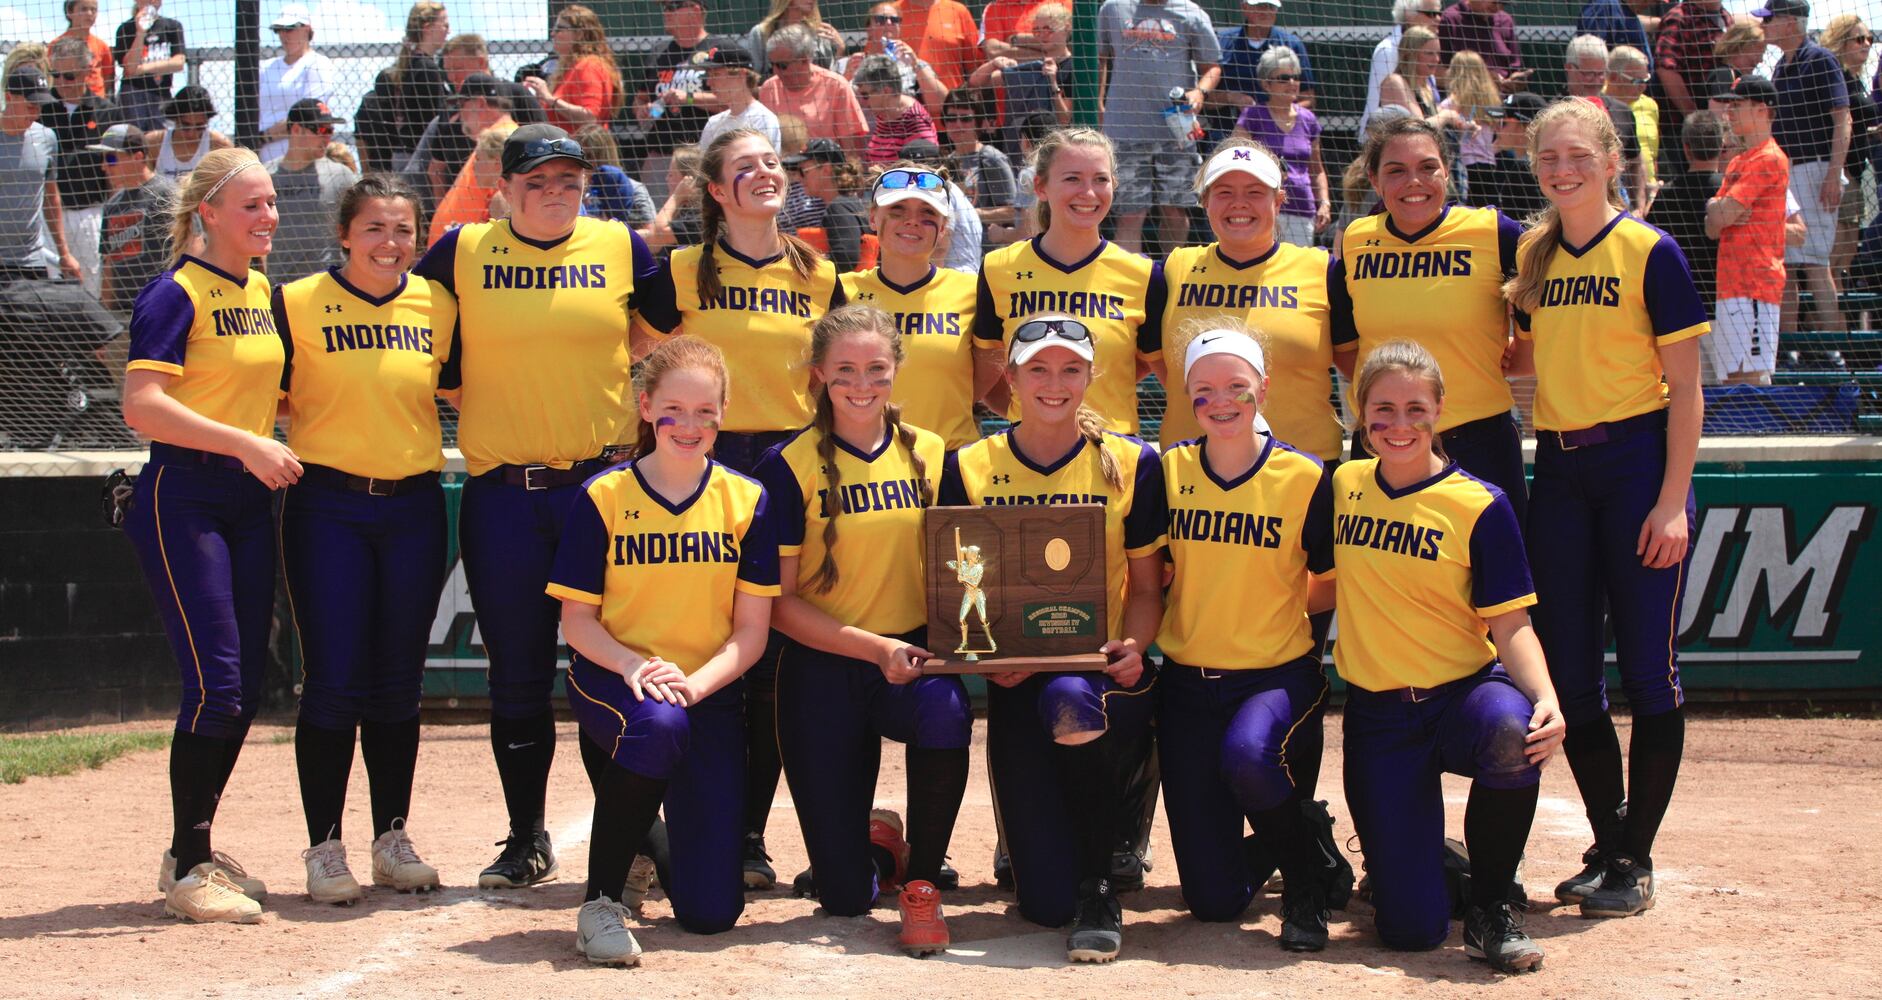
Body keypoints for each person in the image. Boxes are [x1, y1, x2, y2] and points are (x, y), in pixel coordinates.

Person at [413, 123, 659, 892]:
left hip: (601, 491)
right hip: (504, 496)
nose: (555, 193)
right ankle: (526, 837)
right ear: (504, 190)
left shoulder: (623, 247)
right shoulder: (462, 250)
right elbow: (401, 321)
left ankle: (637, 837)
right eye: (537, 181)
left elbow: (668, 340)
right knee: (516, 677)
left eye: (569, 180)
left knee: (613, 669)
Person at [1503, 97, 1706, 923]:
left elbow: (1689, 391)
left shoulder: (1650, 251)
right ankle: (1611, 845)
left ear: (1612, 159)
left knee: (1650, 675)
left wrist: (1670, 503)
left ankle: (1635, 857)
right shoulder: (1532, 254)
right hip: (1557, 467)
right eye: (1550, 157)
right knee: (1573, 676)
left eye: (1579, 155)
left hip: (1637, 467)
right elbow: (1521, 359)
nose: (1563, 170)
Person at [634, 128, 846, 889]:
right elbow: (640, 358)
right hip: (699, 470)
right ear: (715, 191)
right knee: (681, 646)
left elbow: (836, 377)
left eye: (772, 163)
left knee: (767, 668)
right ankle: (646, 833)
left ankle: (748, 835)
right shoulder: (682, 271)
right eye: (744, 168)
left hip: (785, 475)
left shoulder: (820, 274)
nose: (764, 174)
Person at [938, 314, 1167, 963]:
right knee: (1042, 905)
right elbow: (961, 590)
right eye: (1037, 368)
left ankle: (1101, 887)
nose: (1054, 382)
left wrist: (1133, 646)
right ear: (1009, 378)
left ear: (1091, 377)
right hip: (1014, 680)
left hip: (1096, 678)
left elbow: (1148, 590)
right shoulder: (970, 465)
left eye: (1070, 368)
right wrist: (987, 659)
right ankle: (1075, 868)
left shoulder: (1129, 462)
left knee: (1070, 693)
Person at [1333, 339, 1564, 973]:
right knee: (1410, 932)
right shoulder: (1345, 485)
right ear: (1360, 411)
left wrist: (1545, 698)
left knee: (1511, 734)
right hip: (1380, 717)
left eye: (1415, 408)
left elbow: (1511, 623)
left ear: (1440, 408)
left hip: (1463, 695)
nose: (1399, 424)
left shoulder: (1479, 503)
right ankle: (1432, 865)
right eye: (1383, 409)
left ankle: (1492, 905)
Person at [548, 335, 780, 964]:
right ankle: (600, 901)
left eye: (706, 412)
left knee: (710, 915)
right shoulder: (603, 496)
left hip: (703, 689)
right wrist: (632, 666)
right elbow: (578, 624)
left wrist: (696, 685)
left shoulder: (748, 499)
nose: (690, 424)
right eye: (674, 409)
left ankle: (648, 834)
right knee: (657, 723)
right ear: (646, 407)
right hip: (618, 678)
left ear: (723, 415)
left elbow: (751, 634)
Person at [754, 304, 969, 955]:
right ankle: (875, 852)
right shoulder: (785, 466)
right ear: (819, 372)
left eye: (877, 368)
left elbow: (965, 569)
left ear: (897, 369)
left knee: (947, 715)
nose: (862, 383)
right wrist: (873, 649)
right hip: (826, 664)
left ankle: (922, 886)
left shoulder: (930, 454)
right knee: (843, 899)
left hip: (910, 659)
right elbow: (781, 606)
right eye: (845, 369)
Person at [120, 147, 294, 925]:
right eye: (252, 205)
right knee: (216, 683)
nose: (268, 217)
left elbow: (261, 394)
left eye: (271, 203)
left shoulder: (259, 289)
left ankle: (190, 850)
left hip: (247, 498)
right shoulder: (174, 293)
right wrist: (246, 444)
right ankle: (190, 866)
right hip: (185, 494)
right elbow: (143, 406)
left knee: (245, 689)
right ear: (209, 214)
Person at [270, 174, 452, 905]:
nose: (390, 243)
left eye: (404, 229)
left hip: (412, 505)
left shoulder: (437, 306)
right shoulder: (296, 302)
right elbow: (268, 393)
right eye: (375, 227)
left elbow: (465, 389)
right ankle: (324, 847)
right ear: (345, 233)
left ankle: (391, 836)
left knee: (398, 682)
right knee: (334, 679)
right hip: (328, 504)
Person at [1156, 323, 1337, 951]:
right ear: (1186, 396)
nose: (1222, 400)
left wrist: (1277, 609)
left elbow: (1332, 580)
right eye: (1204, 390)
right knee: (1212, 903)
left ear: (1264, 385)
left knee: (1249, 755)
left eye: (1238, 385)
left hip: (1274, 677)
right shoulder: (1167, 471)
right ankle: (1307, 831)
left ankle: (1308, 882)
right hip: (1185, 686)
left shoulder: (1306, 477)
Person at [1330, 116, 1529, 524]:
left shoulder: (1494, 232)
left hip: (1479, 443)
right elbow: (1349, 352)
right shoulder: (1354, 241)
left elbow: (1540, 307)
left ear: (1446, 170)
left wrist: (1522, 351)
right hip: (1386, 443)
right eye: (1396, 171)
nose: (1413, 182)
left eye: (1427, 167)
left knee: (1495, 581)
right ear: (1374, 179)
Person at [1156, 142, 1338, 465]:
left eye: (1255, 192)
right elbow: (1151, 362)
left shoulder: (1322, 270)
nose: (1239, 204)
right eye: (1224, 192)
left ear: (1279, 201)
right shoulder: (1174, 270)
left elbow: (1356, 363)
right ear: (1205, 202)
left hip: (1304, 473)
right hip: (1190, 472)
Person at [976, 128, 1166, 436]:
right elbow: (987, 373)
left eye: (1100, 179)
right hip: (1027, 454)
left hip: (1116, 455)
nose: (1088, 193)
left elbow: (1140, 366)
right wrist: (1026, 414)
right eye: (1072, 178)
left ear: (1114, 186)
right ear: (1040, 186)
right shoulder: (1000, 267)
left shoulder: (1142, 275)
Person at [840, 162, 995, 449]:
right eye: (897, 211)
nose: (912, 221)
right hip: (866, 464)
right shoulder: (841, 291)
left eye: (927, 213)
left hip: (951, 462)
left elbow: (984, 375)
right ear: (873, 218)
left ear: (944, 225)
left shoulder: (973, 292)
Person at [1097, 0, 1222, 255]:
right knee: (1130, 213)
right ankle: (1129, 284)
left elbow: (1212, 66)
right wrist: (1098, 104)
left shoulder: (1192, 13)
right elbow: (1099, 57)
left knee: (1175, 210)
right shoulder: (1112, 8)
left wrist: (1200, 92)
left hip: (1177, 131)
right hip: (1125, 128)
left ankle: (1170, 277)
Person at [1760, 0, 1850, 337]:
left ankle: (1831, 351)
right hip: (1786, 173)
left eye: (1770, 19)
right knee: (1786, 266)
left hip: (1816, 169)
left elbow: (1843, 120)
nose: (1765, 25)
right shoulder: (1782, 65)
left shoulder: (1821, 60)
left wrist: (1832, 174)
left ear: (1790, 23)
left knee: (1815, 263)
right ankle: (1791, 348)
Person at [1707, 75, 1789, 384]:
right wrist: (1717, 209)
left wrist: (1720, 209)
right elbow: (1713, 226)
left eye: (1738, 106)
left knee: (1751, 375)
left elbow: (1725, 212)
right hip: (1730, 282)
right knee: (1730, 376)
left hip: (1756, 282)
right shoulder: (1737, 160)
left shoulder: (1769, 158)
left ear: (1762, 110)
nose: (1730, 113)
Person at [44, 36, 122, 295]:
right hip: (47, 215)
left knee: (90, 283)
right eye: (56, 75)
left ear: (88, 72)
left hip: (90, 213)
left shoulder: (106, 112)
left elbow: (115, 162)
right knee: (47, 285)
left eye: (69, 76)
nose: (61, 83)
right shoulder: (40, 109)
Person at [629, 1, 726, 200]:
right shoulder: (658, 53)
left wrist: (688, 98)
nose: (666, 13)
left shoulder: (719, 50)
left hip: (704, 156)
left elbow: (732, 100)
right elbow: (639, 100)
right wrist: (642, 110)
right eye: (665, 8)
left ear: (696, 10)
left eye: (673, 7)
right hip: (661, 157)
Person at [1231, 47, 1329, 246]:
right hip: (1261, 210)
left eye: (1295, 77)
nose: (1292, 83)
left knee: (1297, 272)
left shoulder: (1308, 119)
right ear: (1266, 84)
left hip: (1302, 209)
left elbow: (1316, 169)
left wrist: (1324, 203)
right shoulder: (1252, 116)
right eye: (1283, 78)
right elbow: (1233, 158)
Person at [0, 67, 79, 282]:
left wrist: (64, 254)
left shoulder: (47, 138)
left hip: (31, 259)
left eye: (39, 108)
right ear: (9, 97)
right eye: (30, 106)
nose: (35, 114)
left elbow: (51, 198)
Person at [91, 122, 176, 315]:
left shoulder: (167, 194)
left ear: (138, 157)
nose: (104, 166)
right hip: (123, 312)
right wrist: (106, 312)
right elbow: (109, 263)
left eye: (111, 158)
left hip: (162, 309)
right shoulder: (113, 205)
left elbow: (190, 250)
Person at [268, 100, 357, 284]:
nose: (328, 137)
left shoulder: (341, 176)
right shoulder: (264, 176)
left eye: (330, 130)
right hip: (275, 288)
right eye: (321, 130)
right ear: (296, 130)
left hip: (326, 290)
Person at [1209, 0, 1316, 143]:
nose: (1265, 11)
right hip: (1226, 133)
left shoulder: (1292, 44)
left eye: (1271, 6)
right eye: (1259, 5)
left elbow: (1308, 99)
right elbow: (1204, 99)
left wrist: (1273, 113)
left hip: (1278, 137)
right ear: (1244, 7)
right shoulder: (1223, 41)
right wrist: (1232, 97)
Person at [1651, 110, 1727, 311]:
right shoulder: (1731, 193)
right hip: (1725, 304)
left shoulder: (1666, 195)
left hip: (1678, 305)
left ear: (1686, 148)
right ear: (1721, 146)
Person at [760, 25, 870, 160]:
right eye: (772, 65)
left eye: (782, 66)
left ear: (805, 60)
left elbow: (852, 150)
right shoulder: (769, 89)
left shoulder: (836, 86)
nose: (776, 72)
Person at [1819, 15, 1873, 289]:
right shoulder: (1837, 78)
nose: (1866, 45)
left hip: (1856, 172)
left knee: (1848, 254)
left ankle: (1839, 318)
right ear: (1841, 41)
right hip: (1839, 174)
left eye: (1870, 39)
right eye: (1859, 39)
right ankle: (1826, 324)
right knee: (1835, 254)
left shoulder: (1858, 80)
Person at [969, 1, 1075, 139]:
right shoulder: (1032, 66)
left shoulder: (1073, 67)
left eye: (1048, 29)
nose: (1041, 35)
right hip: (1022, 138)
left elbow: (1065, 119)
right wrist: (993, 64)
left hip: (1060, 140)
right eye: (1036, 30)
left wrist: (1053, 83)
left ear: (1066, 28)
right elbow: (976, 83)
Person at [1564, 34, 1645, 211]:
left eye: (1601, 74)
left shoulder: (1622, 112)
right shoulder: (1553, 115)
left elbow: (1636, 162)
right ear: (1569, 68)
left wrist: (1639, 206)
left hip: (1618, 212)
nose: (1596, 81)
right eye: (1588, 74)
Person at [426, 86, 515, 244]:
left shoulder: (500, 200)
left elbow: (504, 248)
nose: (474, 167)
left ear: (496, 163)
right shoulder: (495, 196)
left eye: (478, 160)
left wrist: (462, 237)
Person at [837, 2, 949, 117]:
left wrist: (916, 65)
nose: (889, 23)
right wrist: (846, 77)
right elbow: (830, 106)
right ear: (869, 28)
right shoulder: (848, 64)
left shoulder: (914, 64)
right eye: (881, 19)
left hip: (906, 132)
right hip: (863, 133)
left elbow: (940, 105)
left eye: (895, 20)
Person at [257, 5, 336, 165]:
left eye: (290, 28)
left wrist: (263, 137)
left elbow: (309, 115)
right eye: (279, 29)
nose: (284, 35)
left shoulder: (318, 64)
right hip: (261, 160)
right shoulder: (265, 67)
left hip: (300, 160)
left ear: (307, 29)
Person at [938, 88, 1015, 251]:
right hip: (953, 251)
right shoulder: (946, 162)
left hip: (988, 252)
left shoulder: (992, 158)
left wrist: (969, 214)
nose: (958, 124)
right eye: (951, 118)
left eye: (966, 118)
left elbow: (1013, 211)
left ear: (978, 122)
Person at [524, 4, 622, 132]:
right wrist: (542, 98)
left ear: (579, 34)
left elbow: (590, 117)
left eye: (560, 29)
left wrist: (549, 98)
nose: (553, 34)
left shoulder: (589, 66)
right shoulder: (572, 67)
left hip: (582, 149)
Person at [898, 138, 981, 272]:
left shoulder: (937, 190)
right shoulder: (948, 188)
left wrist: (929, 287)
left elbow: (939, 248)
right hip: (963, 277)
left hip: (951, 281)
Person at [1362, 0, 1444, 134]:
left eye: (1439, 13)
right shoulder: (1388, 50)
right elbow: (1376, 103)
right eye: (1431, 14)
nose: (1438, 19)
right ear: (1409, 15)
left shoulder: (1430, 47)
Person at [1464, 91, 1549, 219]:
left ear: (1527, 127)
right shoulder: (1536, 164)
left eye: (1503, 123)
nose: (1495, 128)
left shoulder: (1526, 170)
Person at [1654, 0, 1729, 143]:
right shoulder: (1680, 18)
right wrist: (1693, 116)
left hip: (1719, 125)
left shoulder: (1725, 17)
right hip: (1683, 129)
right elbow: (1665, 67)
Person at [113, 0, 185, 130]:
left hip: (161, 92)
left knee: (161, 139)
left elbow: (179, 62)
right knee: (135, 137)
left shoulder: (172, 26)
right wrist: (141, 32)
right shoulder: (126, 29)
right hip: (134, 93)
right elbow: (129, 68)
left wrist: (142, 69)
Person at [1440, 50, 1503, 194]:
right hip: (1489, 166)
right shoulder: (1493, 103)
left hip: (1464, 167)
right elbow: (1500, 136)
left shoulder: (1450, 104)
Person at [856, 56, 939, 163]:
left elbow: (926, 167)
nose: (862, 102)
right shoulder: (884, 113)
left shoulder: (915, 120)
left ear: (886, 91)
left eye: (865, 95)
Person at [1607, 45, 1660, 209]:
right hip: (1613, 202)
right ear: (1614, 77)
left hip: (1648, 198)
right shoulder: (1596, 105)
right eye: (1637, 81)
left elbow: (1651, 155)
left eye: (1646, 80)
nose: (1643, 87)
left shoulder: (1650, 105)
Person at [698, 47, 780, 152]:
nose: (709, 83)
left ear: (742, 75)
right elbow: (703, 167)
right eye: (709, 76)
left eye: (716, 75)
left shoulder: (763, 120)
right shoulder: (713, 123)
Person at [145, 85, 232, 183]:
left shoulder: (218, 144)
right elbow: (143, 184)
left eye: (199, 127)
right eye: (185, 126)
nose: (192, 134)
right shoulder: (155, 142)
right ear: (175, 118)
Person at [1437, 0, 1528, 91]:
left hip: (1504, 99)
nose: (1498, 8)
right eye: (1494, 2)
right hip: (1465, 98)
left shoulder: (1505, 20)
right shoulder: (1450, 19)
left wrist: (1515, 80)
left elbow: (1514, 66)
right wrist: (1484, 80)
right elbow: (1437, 72)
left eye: (1503, 4)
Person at [575, 125, 656, 226]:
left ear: (603, 156)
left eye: (588, 156)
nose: (582, 162)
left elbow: (653, 232)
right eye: (577, 157)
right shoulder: (571, 189)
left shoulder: (634, 189)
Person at [897, 0, 981, 91]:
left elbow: (974, 68)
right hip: (906, 101)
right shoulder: (892, 13)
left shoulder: (958, 10)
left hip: (952, 101)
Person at [745, 0, 845, 76]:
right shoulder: (762, 33)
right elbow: (753, 78)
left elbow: (829, 77)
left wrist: (840, 50)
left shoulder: (818, 32)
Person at [51, 0, 115, 99]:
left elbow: (108, 76)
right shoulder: (56, 45)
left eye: (93, 10)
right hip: (67, 101)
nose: (89, 13)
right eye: (84, 9)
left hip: (96, 104)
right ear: (70, 12)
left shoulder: (102, 46)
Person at [1578, 0, 1651, 54]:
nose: (1650, 4)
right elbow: (1592, 52)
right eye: (1646, 1)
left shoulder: (1625, 9)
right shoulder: (1603, 5)